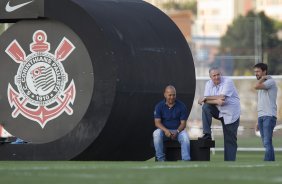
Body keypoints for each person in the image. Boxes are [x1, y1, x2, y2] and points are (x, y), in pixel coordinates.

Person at [198, 67, 240, 161]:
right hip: (219, 110)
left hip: (231, 114)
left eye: (218, 74)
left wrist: (205, 98)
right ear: (210, 77)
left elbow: (221, 98)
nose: (217, 77)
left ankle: (229, 163)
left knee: (230, 140)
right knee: (206, 107)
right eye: (214, 75)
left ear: (220, 74)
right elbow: (214, 102)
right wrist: (212, 100)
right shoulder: (208, 84)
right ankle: (207, 134)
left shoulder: (228, 81)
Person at [153, 85, 191, 161]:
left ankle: (186, 160)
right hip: (164, 132)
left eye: (174, 95)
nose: (172, 97)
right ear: (165, 94)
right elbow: (157, 123)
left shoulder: (181, 106)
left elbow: (183, 124)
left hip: (178, 131)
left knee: (185, 137)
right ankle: (161, 160)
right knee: (156, 133)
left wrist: (177, 132)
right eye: (170, 95)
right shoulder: (159, 106)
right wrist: (166, 130)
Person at [253, 63, 277, 161]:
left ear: (264, 71)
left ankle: (267, 161)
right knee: (265, 142)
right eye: (255, 72)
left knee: (267, 141)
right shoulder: (261, 85)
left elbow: (256, 86)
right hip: (262, 116)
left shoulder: (270, 81)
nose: (256, 74)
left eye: (258, 71)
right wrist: (258, 120)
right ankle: (271, 161)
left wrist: (263, 78)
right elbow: (261, 104)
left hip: (269, 116)